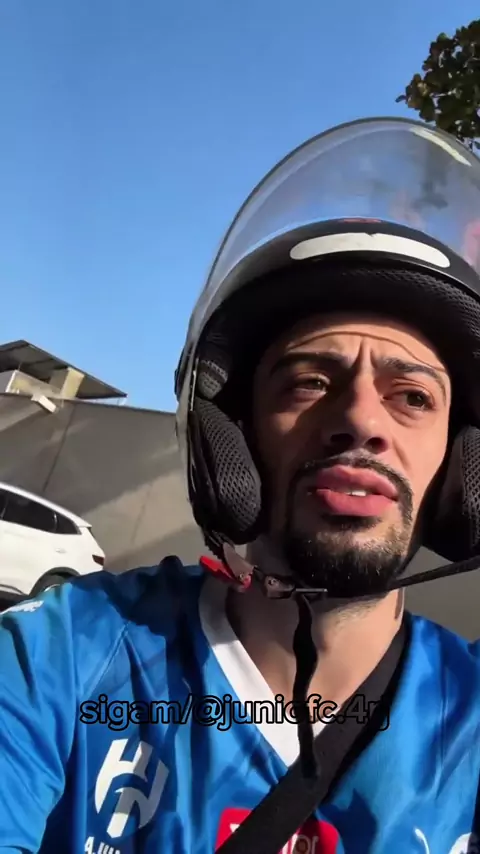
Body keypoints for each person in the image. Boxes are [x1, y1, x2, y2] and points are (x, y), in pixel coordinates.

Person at [1, 117, 480, 854]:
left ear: (460, 462)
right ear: (232, 435)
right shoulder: (59, 657)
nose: (360, 420)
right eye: (309, 382)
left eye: (412, 396)